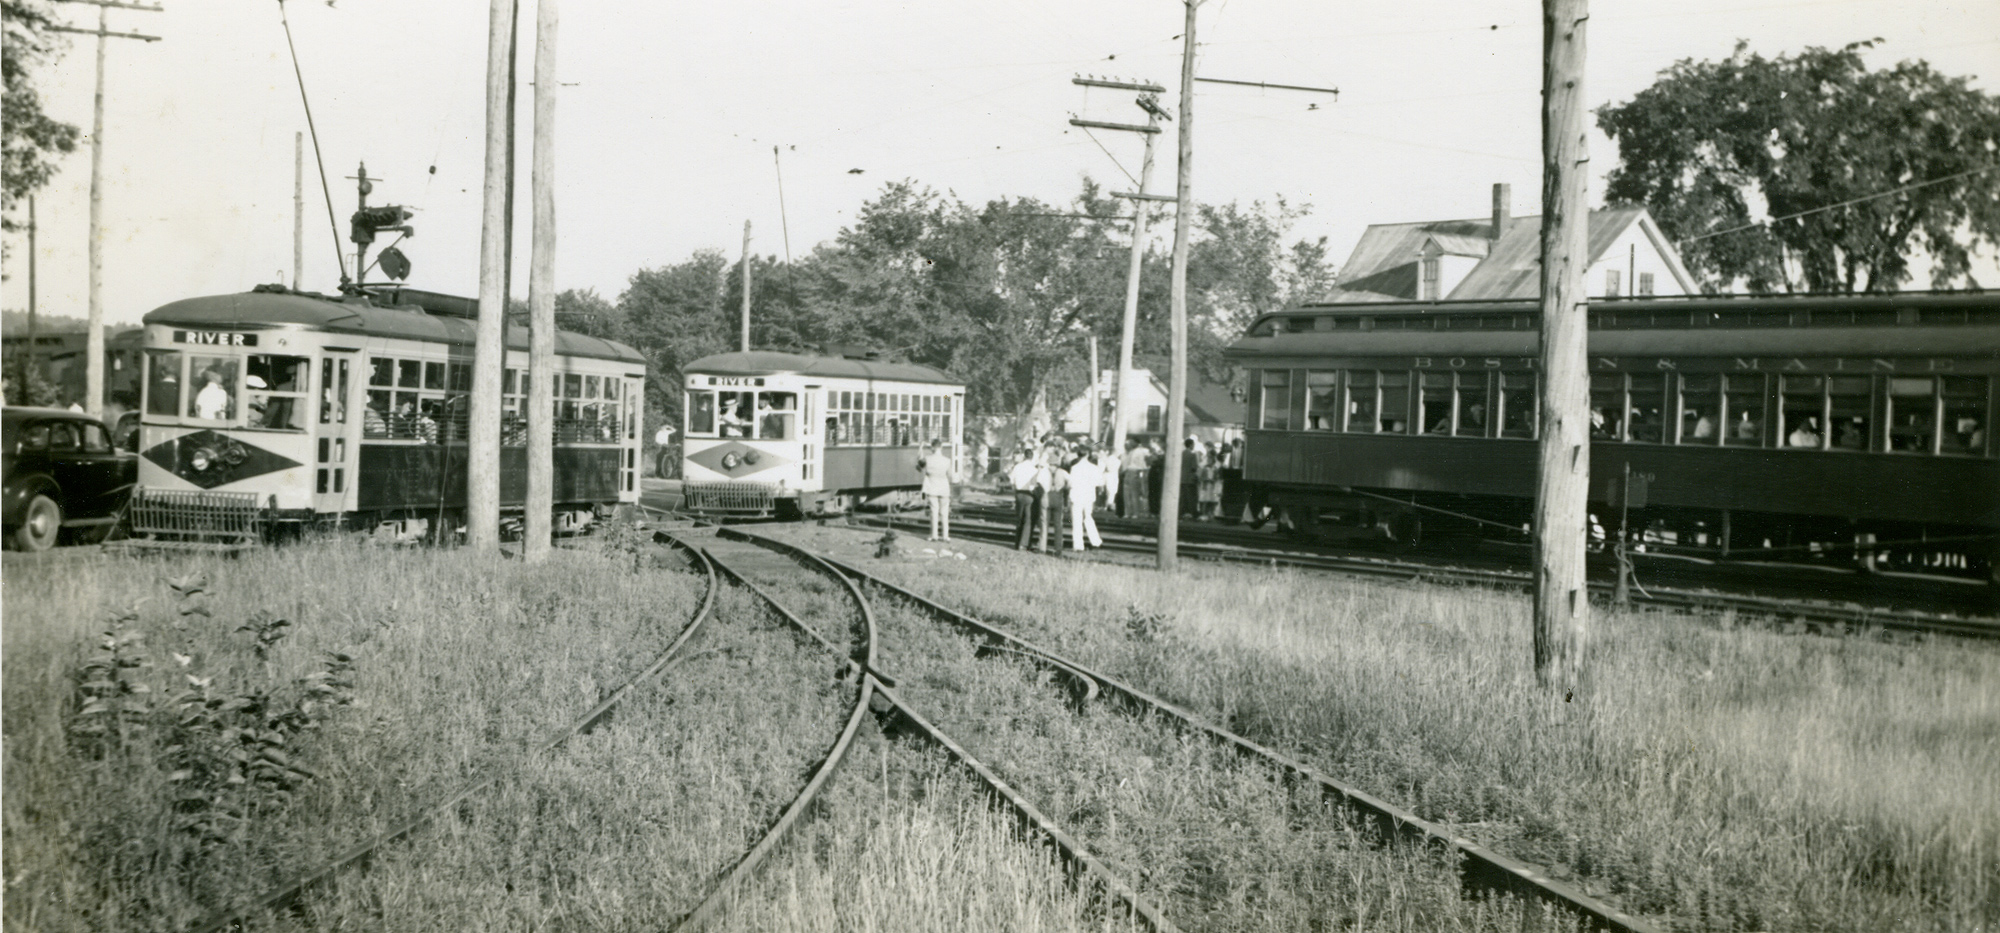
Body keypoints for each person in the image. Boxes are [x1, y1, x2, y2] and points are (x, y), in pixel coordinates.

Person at [1067, 446, 1104, 551]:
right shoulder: (1094, 468)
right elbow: (1100, 483)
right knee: (1088, 517)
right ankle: (1096, 541)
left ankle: (1078, 545)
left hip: (1076, 495)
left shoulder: (1075, 468)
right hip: (1089, 495)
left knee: (1077, 520)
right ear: (1088, 454)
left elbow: (1071, 483)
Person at [1008, 447, 1045, 550]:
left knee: (1019, 518)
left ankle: (1016, 543)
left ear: (1024, 456)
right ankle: (1023, 544)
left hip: (1019, 494)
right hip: (1029, 495)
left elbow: (1011, 481)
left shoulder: (1017, 467)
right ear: (1032, 457)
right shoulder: (1034, 470)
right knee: (1028, 520)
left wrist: (1015, 491)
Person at [917, 440, 954, 541]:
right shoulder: (947, 460)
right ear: (941, 447)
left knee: (934, 511)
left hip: (932, 486)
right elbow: (950, 475)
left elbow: (919, 462)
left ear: (932, 448)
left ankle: (934, 535)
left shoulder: (928, 459)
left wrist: (920, 447)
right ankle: (945, 536)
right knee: (944, 512)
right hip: (944, 487)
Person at [1197, 444, 1221, 519]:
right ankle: (1204, 513)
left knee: (1212, 500)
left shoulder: (1215, 468)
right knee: (1205, 500)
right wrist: (1207, 480)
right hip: (1206, 486)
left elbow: (1217, 477)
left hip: (1212, 486)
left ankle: (1210, 513)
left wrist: (1213, 480)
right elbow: (1202, 478)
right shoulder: (1205, 468)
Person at [1098, 443, 1121, 515]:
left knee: (1107, 492)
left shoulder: (1106, 459)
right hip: (1112, 476)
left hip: (1106, 475)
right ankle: (1108, 505)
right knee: (1111, 492)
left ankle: (1105, 505)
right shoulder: (1117, 460)